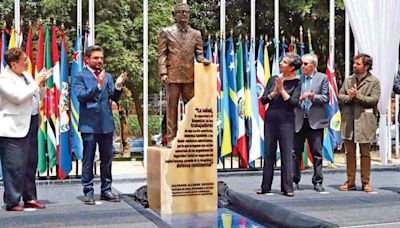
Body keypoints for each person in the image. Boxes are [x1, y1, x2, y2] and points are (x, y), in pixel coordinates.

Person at [73, 45, 127, 205]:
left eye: (101, 58)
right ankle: (88, 191)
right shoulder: (79, 76)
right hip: (89, 125)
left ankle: (106, 190)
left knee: (107, 159)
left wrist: (117, 85)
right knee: (88, 159)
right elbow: (81, 96)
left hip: (106, 124)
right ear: (87, 59)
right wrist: (97, 86)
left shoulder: (107, 76)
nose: (99, 61)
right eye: (96, 58)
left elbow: (114, 97)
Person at [0, 47, 49, 211]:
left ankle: (30, 197)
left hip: (32, 121)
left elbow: (38, 96)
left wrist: (41, 85)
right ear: (13, 64)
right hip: (13, 127)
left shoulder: (27, 76)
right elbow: (18, 97)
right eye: (24, 60)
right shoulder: (4, 78)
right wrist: (35, 83)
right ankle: (12, 201)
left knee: (30, 162)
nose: (28, 62)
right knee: (14, 165)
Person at [158, 3, 210, 147]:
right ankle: (171, 138)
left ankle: (192, 137)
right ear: (175, 15)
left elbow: (199, 54)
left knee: (192, 107)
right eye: (180, 12)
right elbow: (162, 55)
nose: (183, 15)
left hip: (189, 76)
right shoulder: (166, 32)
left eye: (186, 12)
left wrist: (203, 60)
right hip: (172, 76)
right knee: (171, 107)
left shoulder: (196, 34)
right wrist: (163, 72)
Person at [257, 53, 302, 197]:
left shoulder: (297, 82)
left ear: (292, 67)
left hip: (287, 121)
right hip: (271, 119)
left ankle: (287, 187)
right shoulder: (273, 79)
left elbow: (293, 103)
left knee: (286, 153)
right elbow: (264, 100)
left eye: (284, 62)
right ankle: (265, 186)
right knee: (269, 152)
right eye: (281, 61)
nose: (281, 63)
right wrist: (274, 92)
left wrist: (281, 90)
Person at [338, 53, 380, 192]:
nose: (354, 65)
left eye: (358, 64)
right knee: (349, 153)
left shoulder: (374, 81)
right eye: (354, 63)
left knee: (365, 153)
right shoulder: (349, 80)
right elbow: (340, 95)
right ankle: (350, 182)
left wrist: (358, 96)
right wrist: (349, 97)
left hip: (365, 121)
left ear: (366, 66)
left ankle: (365, 182)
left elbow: (374, 100)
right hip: (349, 120)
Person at [292, 54, 329, 192]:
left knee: (316, 153)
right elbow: (292, 99)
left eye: (306, 64)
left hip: (315, 121)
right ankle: (294, 180)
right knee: (295, 152)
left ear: (313, 65)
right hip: (299, 119)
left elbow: (326, 98)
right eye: (302, 64)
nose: (302, 66)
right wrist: (299, 98)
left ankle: (318, 181)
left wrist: (313, 96)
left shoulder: (322, 78)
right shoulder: (297, 79)